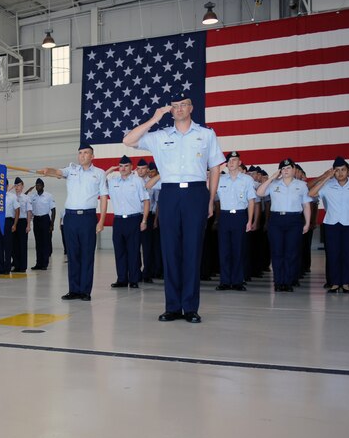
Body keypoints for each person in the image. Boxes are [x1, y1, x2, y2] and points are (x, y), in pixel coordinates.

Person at [123, 96, 225, 324]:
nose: (179, 109)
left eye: (183, 105)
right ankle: (172, 306)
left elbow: (215, 167)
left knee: (192, 250)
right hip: (169, 194)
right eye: (175, 106)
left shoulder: (206, 134)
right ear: (170, 111)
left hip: (196, 193)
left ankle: (190, 307)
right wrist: (154, 118)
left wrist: (210, 200)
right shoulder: (160, 136)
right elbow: (128, 140)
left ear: (191, 108)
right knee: (170, 251)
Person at [41, 143, 108, 301]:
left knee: (87, 254)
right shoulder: (71, 170)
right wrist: (48, 170)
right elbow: (57, 172)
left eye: (86, 153)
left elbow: (104, 197)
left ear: (92, 156)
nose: (82, 155)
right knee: (73, 255)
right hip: (70, 218)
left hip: (87, 218)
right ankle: (74, 290)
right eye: (80, 153)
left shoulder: (99, 173)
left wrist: (101, 221)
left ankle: (85, 291)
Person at [308, 157, 349, 294]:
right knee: (332, 254)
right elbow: (311, 193)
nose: (340, 173)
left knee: (348, 254)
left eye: (343, 170)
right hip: (331, 224)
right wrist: (326, 177)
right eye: (337, 171)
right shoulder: (328, 185)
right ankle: (334, 283)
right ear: (333, 172)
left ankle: (346, 283)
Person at [256, 158, 312, 292]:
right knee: (277, 252)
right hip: (276, 220)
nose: (286, 170)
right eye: (283, 168)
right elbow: (259, 193)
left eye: (288, 168)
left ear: (293, 170)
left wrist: (307, 223)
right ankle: (278, 281)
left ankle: (287, 281)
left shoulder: (301, 185)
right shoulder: (274, 184)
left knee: (291, 252)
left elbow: (306, 205)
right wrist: (272, 178)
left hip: (294, 220)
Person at [214, 151, 256, 291]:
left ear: (239, 162)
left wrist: (250, 221)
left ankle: (237, 281)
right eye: (229, 161)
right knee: (224, 250)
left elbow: (251, 201)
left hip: (240, 216)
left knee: (238, 249)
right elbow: (208, 187)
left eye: (234, 160)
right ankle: (225, 281)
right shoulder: (220, 179)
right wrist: (218, 169)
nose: (231, 163)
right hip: (225, 216)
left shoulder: (247, 180)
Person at [105, 155, 150, 289]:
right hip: (118, 220)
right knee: (119, 251)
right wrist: (110, 170)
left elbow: (146, 201)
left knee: (133, 251)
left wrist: (144, 220)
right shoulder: (113, 181)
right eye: (121, 166)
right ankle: (122, 279)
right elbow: (100, 180)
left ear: (131, 167)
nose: (123, 168)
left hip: (134, 219)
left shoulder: (137, 181)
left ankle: (134, 279)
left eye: (126, 166)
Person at [28, 178, 56, 270]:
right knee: (38, 243)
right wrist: (29, 190)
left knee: (45, 242)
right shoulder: (33, 196)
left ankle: (44, 264)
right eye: (36, 185)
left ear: (43, 186)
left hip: (45, 219)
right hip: (36, 220)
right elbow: (23, 198)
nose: (38, 187)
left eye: (39, 185)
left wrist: (52, 224)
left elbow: (53, 210)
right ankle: (38, 263)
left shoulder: (48, 196)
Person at [0, 180, 20, 275]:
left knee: (7, 246)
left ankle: (7, 267)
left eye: (4, 185)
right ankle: (0, 267)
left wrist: (15, 224)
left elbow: (17, 211)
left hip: (8, 222)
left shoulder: (12, 197)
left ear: (7, 185)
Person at [11, 178, 30, 272]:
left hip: (22, 222)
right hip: (14, 222)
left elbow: (29, 211)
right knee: (15, 245)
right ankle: (16, 265)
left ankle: (23, 266)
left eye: (19, 185)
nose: (17, 187)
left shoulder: (26, 198)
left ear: (22, 186)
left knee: (22, 245)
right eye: (16, 185)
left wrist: (28, 225)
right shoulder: (12, 197)